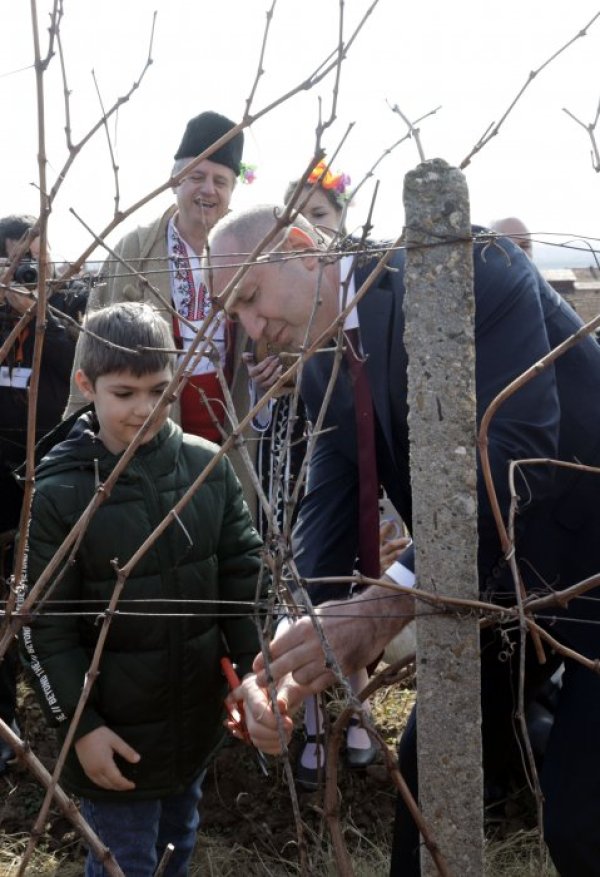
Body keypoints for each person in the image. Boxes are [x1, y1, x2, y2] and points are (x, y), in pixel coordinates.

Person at [209, 204, 600, 877]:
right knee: (427, 773)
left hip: (593, 560)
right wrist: (279, 660)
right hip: (498, 583)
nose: (252, 330)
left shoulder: (465, 264)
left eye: (249, 297)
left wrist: (390, 600)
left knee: (581, 818)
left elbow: (520, 450)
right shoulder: (321, 371)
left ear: (302, 247)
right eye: (233, 314)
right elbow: (323, 532)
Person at [20, 301, 266, 876]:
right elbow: (43, 627)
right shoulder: (60, 493)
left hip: (194, 721)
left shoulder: (207, 467)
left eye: (160, 390)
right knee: (123, 861)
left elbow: (241, 574)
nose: (145, 409)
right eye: (124, 393)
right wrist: (81, 729)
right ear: (87, 385)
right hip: (115, 735)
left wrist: (250, 671)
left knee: (178, 840)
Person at [244, 160, 382, 788]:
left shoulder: (367, 312)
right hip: (311, 462)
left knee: (369, 587)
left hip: (374, 475)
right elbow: (269, 423)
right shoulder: (280, 324)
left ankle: (359, 714)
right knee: (317, 585)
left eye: (318, 216)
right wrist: (280, 385)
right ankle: (314, 719)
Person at [64, 110, 258, 516]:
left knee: (222, 523)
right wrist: (76, 432)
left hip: (232, 416)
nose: (207, 190)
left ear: (232, 191)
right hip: (152, 415)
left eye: (219, 181)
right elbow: (93, 340)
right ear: (176, 181)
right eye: (196, 177)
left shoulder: (248, 245)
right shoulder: (134, 247)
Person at [0, 214, 88, 773]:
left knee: (61, 597)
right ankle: (5, 722)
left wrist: (40, 306)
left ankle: (75, 719)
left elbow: (81, 363)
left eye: (34, 259)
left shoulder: (73, 302)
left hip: (55, 470)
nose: (25, 271)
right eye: (13, 261)